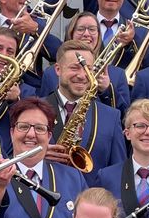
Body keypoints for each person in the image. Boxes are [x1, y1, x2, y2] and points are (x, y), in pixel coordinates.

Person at [0, 97, 88, 218]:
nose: (31, 134)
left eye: (39, 129)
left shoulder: (72, 177)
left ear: (49, 136)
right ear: (11, 132)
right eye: (23, 127)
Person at [42, 40, 127, 171]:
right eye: (74, 67)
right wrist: (37, 156)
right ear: (58, 69)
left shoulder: (111, 116)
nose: (82, 75)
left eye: (88, 69)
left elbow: (117, 171)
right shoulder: (34, 110)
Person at [38, 12, 131, 113]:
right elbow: (43, 109)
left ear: (99, 36)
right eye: (81, 29)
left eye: (92, 29)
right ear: (71, 33)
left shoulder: (118, 74)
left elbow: (125, 116)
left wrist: (107, 89)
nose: (86, 34)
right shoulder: (51, 73)